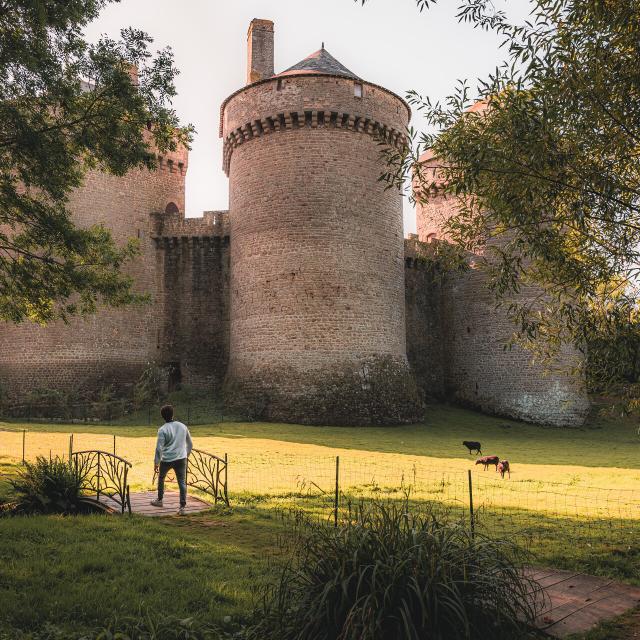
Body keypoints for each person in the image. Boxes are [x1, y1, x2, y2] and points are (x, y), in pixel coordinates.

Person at [150, 404, 193, 515]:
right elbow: (190, 444)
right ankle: (182, 507)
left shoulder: (162, 430)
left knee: (161, 478)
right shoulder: (183, 426)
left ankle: (159, 500)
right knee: (182, 482)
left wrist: (156, 462)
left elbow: (159, 448)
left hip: (167, 459)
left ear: (162, 416)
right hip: (181, 459)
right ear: (173, 414)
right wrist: (186, 455)